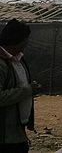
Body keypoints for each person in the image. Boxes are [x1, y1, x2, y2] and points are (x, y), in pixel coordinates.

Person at [0, 19, 35, 153]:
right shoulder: (2, 64)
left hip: (17, 131)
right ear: (18, 40)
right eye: (26, 39)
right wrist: (28, 90)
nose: (27, 43)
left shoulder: (17, 60)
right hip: (5, 137)